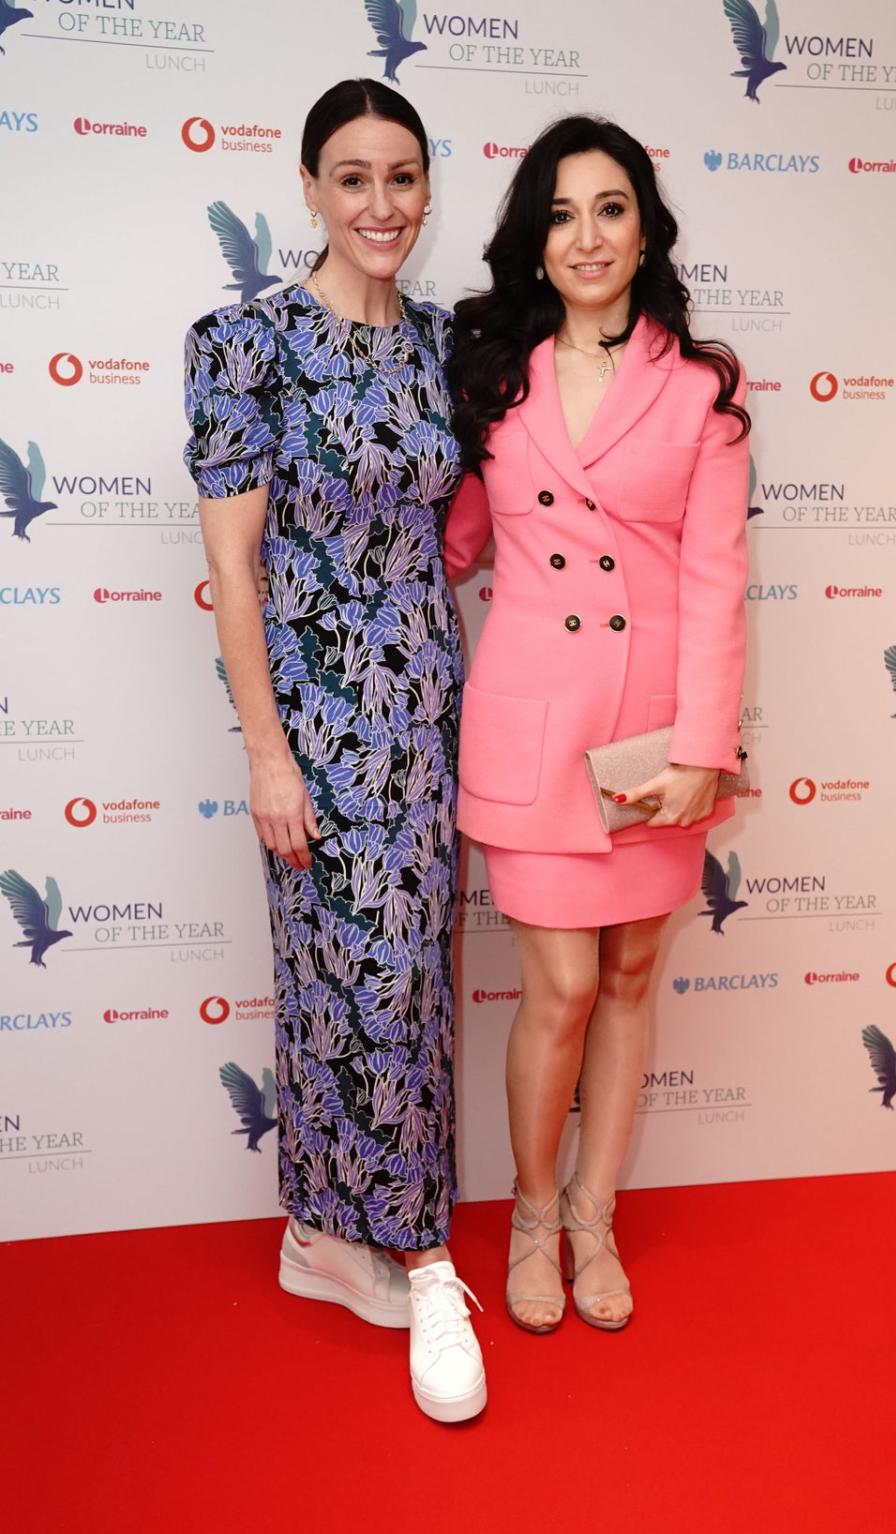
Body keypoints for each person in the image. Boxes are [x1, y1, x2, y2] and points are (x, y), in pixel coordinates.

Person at [183, 78, 485, 1423]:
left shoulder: (439, 343)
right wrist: (266, 748)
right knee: (345, 980)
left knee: (407, 984)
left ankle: (321, 1237)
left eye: (404, 176)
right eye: (354, 177)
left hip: (427, 711)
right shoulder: (246, 344)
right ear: (308, 187)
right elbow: (234, 570)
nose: (382, 204)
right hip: (314, 717)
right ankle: (418, 1259)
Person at [444, 114, 750, 1335]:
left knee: (629, 976)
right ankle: (529, 1212)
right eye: (562, 212)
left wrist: (702, 752)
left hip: (654, 741)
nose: (587, 234)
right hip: (530, 731)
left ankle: (593, 1215)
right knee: (560, 984)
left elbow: (717, 577)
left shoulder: (701, 389)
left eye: (610, 208)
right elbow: (450, 543)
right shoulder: (490, 377)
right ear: (535, 234)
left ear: (645, 228)